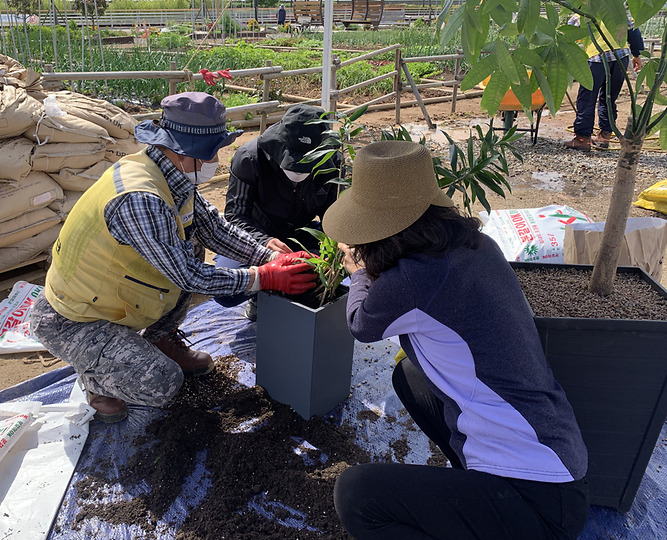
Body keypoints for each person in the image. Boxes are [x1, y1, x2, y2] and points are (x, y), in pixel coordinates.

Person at [324, 142, 589, 540]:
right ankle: (472, 488)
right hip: (560, 463)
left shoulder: (412, 279)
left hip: (536, 500)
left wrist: (359, 272)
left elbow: (361, 324)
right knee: (410, 375)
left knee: (356, 495)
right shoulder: (475, 245)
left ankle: (481, 505)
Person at [29, 92, 317, 423]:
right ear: (187, 153)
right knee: (163, 384)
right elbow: (189, 276)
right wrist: (264, 277)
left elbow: (215, 230)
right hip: (75, 318)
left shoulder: (171, 174)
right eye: (213, 153)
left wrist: (265, 254)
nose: (216, 162)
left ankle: (160, 339)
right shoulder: (141, 198)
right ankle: (96, 380)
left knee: (191, 244)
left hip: (111, 295)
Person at [215, 104, 340, 320]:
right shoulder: (249, 159)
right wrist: (263, 241)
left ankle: (302, 298)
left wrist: (331, 254)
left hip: (303, 235)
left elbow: (334, 217)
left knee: (342, 264)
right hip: (256, 236)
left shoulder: (333, 164)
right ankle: (261, 295)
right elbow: (235, 216)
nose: (297, 172)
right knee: (225, 290)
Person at [565, 14, 644, 151]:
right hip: (621, 57)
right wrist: (636, 55)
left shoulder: (581, 14)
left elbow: (567, 36)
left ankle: (583, 139)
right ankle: (605, 136)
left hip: (596, 58)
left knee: (587, 98)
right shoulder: (616, 9)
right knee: (609, 97)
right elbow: (633, 31)